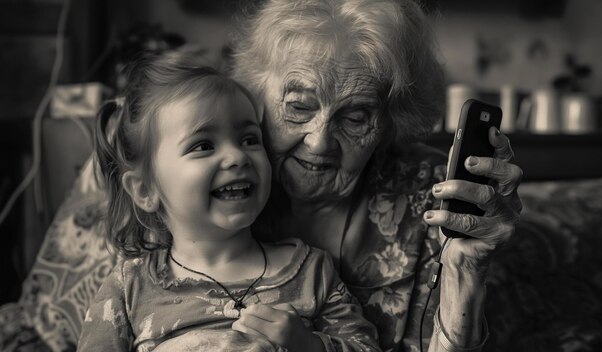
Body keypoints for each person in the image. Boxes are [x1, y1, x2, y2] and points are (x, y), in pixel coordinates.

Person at [231, 0, 523, 351]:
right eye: (299, 107)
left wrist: (467, 272)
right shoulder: (217, 184)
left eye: (355, 118)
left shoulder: (429, 192)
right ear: (257, 96)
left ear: (391, 122)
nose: (320, 142)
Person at [77, 52, 381, 352]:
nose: (237, 157)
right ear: (145, 191)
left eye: (249, 139)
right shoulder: (129, 287)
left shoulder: (311, 271)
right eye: (204, 145)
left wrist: (309, 344)